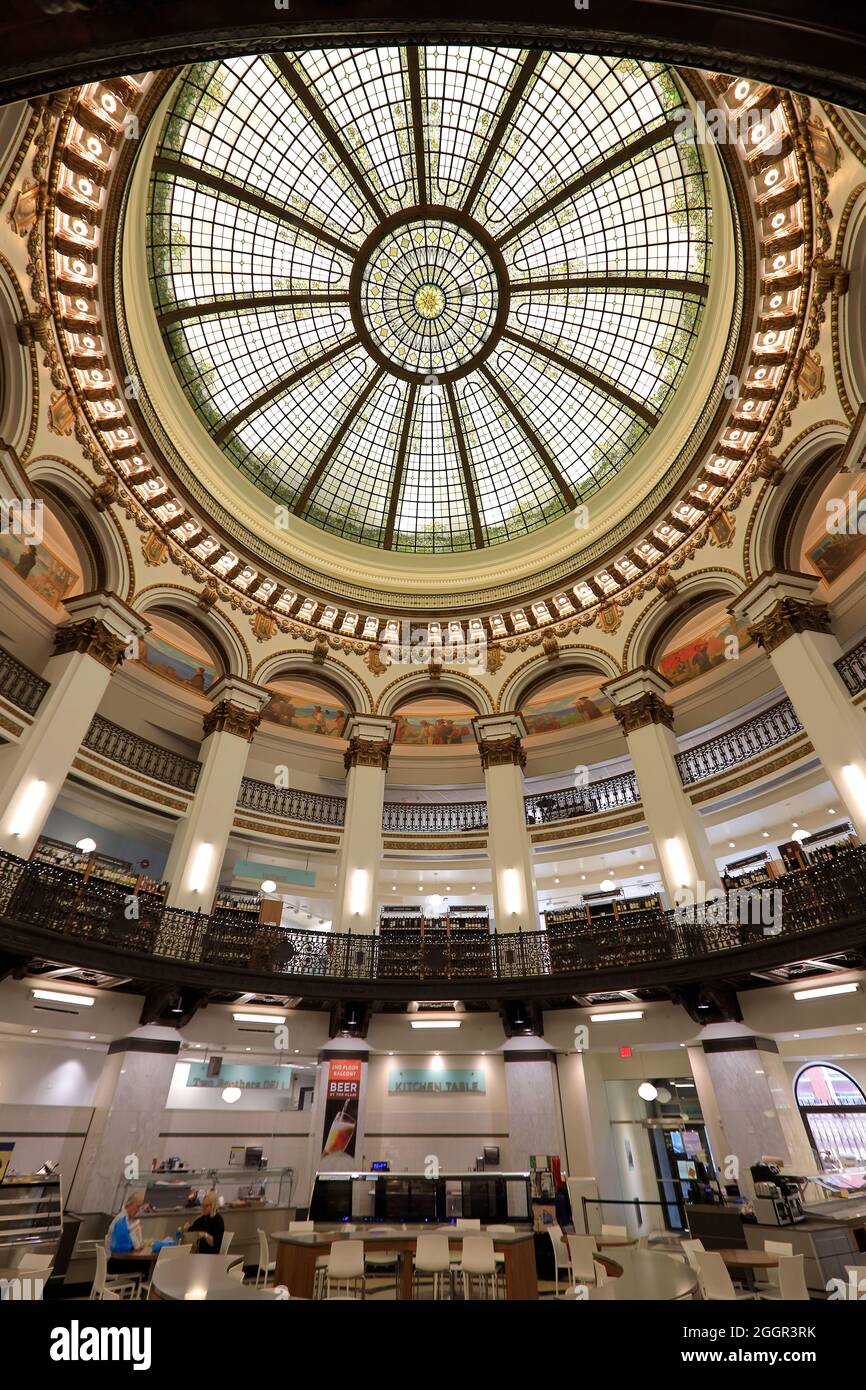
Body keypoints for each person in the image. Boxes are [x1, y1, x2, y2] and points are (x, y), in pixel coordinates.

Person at [184, 1190, 225, 1255]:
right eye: (202, 1205)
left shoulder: (218, 1220)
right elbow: (192, 1230)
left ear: (213, 1206)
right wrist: (187, 1228)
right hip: (200, 1254)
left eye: (206, 1206)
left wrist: (205, 1235)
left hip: (212, 1255)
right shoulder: (202, 1219)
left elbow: (214, 1244)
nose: (203, 1208)